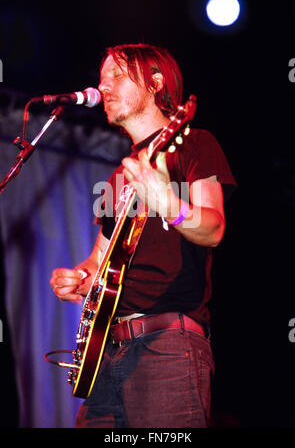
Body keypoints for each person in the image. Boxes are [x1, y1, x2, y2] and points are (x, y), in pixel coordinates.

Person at [50, 43, 236, 428]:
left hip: (167, 345)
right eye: (101, 80)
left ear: (154, 83)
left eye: (117, 75)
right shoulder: (118, 176)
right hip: (105, 354)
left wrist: (167, 203)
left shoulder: (193, 144)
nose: (104, 87)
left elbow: (214, 228)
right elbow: (100, 262)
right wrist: (79, 279)